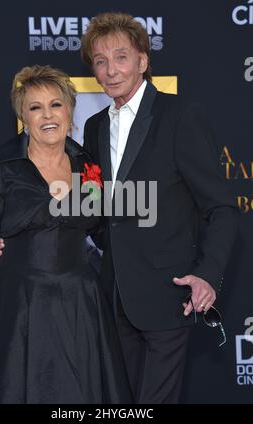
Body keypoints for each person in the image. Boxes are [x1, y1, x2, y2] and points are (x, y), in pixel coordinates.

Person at [79, 12, 239, 403]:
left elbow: (221, 208)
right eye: (100, 61)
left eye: (120, 57)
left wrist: (207, 276)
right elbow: (94, 208)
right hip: (114, 296)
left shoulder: (180, 115)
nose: (110, 70)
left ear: (142, 61)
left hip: (169, 296)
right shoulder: (94, 127)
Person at [0, 65, 132, 404]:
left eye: (56, 104)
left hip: (81, 309)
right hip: (20, 311)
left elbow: (106, 232)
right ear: (23, 115)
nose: (47, 116)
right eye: (35, 107)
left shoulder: (88, 167)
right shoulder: (0, 170)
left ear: (70, 109)